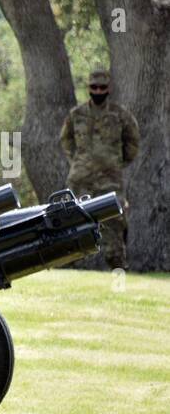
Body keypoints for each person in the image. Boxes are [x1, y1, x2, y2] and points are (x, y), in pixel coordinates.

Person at [60, 68, 139, 269]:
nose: (98, 91)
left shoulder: (120, 115)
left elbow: (132, 142)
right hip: (80, 179)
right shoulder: (76, 114)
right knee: (73, 218)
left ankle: (117, 265)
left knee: (114, 221)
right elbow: (66, 140)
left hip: (110, 179)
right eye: (94, 87)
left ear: (108, 88)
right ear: (89, 88)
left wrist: (117, 163)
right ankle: (72, 264)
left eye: (102, 87)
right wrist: (77, 161)